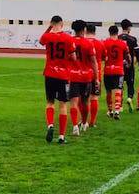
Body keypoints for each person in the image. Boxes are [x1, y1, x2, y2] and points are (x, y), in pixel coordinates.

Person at [39, 16, 76, 144]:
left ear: (51, 24)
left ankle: (50, 125)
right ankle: (61, 136)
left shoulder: (48, 37)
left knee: (50, 102)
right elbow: (74, 57)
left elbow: (41, 40)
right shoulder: (68, 38)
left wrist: (50, 28)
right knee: (63, 105)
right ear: (61, 24)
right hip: (63, 75)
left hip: (49, 73)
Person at [69, 20, 99, 137]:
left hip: (73, 75)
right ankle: (85, 122)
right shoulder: (88, 43)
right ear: (84, 29)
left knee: (73, 102)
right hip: (86, 76)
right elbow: (93, 62)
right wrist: (96, 78)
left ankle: (75, 125)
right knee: (85, 101)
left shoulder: (69, 41)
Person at [102, 25, 130, 120]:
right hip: (119, 70)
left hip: (108, 70)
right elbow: (128, 56)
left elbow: (102, 57)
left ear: (109, 32)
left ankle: (110, 110)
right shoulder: (122, 43)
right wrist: (128, 63)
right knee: (118, 90)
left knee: (108, 91)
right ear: (117, 33)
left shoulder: (104, 43)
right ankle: (117, 111)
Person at [84, 24, 105, 128]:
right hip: (96, 74)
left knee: (83, 99)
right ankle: (92, 122)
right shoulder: (100, 44)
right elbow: (105, 58)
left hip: (83, 74)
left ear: (86, 31)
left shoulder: (82, 42)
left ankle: (83, 121)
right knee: (94, 98)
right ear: (95, 32)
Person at [118, 19, 139, 112]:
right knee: (130, 84)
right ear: (129, 28)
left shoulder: (117, 38)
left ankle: (120, 105)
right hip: (129, 65)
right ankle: (129, 98)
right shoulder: (133, 39)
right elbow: (137, 53)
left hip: (119, 65)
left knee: (120, 85)